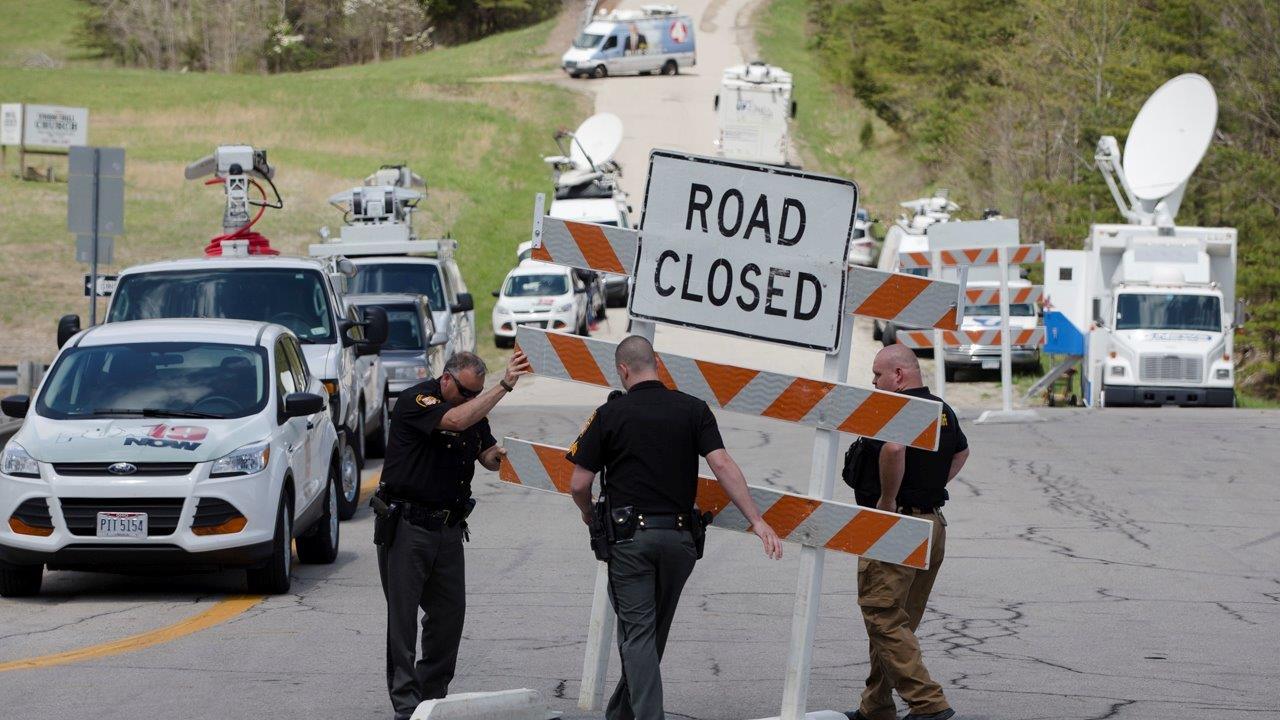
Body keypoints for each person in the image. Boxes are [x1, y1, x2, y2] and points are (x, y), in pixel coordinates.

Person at [566, 335, 784, 720]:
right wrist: (757, 519)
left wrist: (587, 514)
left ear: (622, 370)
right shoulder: (693, 409)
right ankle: (621, 714)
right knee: (648, 636)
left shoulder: (608, 415)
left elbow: (579, 484)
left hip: (630, 542)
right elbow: (723, 465)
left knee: (637, 636)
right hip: (680, 540)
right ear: (657, 363)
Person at [375, 350, 531, 720]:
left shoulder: (470, 406)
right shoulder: (418, 399)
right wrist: (504, 385)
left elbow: (484, 450)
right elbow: (456, 421)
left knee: (448, 616)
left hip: (448, 527)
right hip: (408, 525)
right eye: (466, 392)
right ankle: (406, 705)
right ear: (446, 379)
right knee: (403, 620)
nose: (471, 400)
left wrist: (498, 456)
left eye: (476, 394)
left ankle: (432, 698)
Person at [844, 344, 968, 720]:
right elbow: (962, 453)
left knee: (881, 614)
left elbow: (894, 449)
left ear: (898, 376)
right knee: (899, 623)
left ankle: (928, 703)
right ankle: (876, 706)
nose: (873, 382)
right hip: (931, 522)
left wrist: (888, 499)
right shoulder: (941, 409)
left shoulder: (897, 408)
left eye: (877, 375)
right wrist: (925, 491)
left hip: (896, 524)